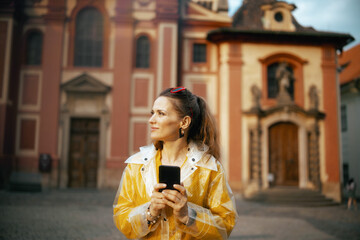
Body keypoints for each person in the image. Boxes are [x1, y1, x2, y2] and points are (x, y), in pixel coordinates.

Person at [113, 87, 238, 239]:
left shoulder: (209, 168)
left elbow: (225, 224)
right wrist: (149, 212)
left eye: (161, 113)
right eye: (153, 113)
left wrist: (188, 216)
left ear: (184, 122)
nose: (151, 120)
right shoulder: (137, 165)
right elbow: (121, 217)